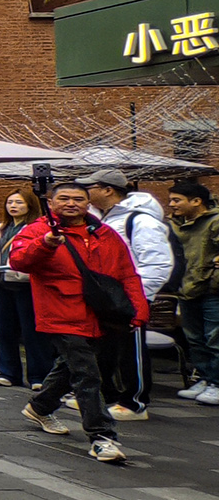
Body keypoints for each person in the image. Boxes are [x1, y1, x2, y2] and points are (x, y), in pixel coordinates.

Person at [12, 181, 149, 464]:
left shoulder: (104, 233)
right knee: (88, 374)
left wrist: (138, 309)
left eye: (78, 199)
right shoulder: (38, 231)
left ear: (89, 204)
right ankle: (102, 437)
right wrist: (45, 244)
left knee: (73, 366)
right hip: (61, 313)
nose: (71, 203)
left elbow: (127, 273)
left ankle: (40, 406)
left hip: (101, 314)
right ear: (50, 203)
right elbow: (19, 260)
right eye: (63, 198)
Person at [84, 169, 172, 419]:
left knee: (130, 349)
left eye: (90, 187)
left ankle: (135, 402)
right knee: (105, 348)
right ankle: (107, 395)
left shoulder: (141, 221)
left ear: (107, 190)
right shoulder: (103, 220)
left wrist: (136, 297)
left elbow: (158, 264)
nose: (85, 193)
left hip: (128, 298)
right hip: (105, 297)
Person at [0, 190, 50, 388]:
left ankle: (38, 375)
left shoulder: (38, 228)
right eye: (10, 202)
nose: (13, 206)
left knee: (33, 331)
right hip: (2, 283)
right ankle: (8, 372)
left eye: (19, 202)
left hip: (27, 284)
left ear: (30, 205)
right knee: (5, 330)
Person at [167, 180, 219, 404]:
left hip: (212, 290)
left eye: (177, 200)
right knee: (195, 339)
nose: (171, 205)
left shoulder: (215, 222)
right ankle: (206, 379)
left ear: (197, 202)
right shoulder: (176, 224)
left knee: (214, 338)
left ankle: (217, 384)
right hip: (187, 289)